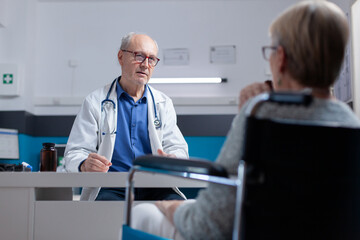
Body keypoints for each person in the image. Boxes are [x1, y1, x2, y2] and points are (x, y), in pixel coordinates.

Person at [130, 1, 360, 239]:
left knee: (143, 213)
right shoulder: (349, 123)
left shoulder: (260, 113)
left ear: (280, 58)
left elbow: (208, 224)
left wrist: (168, 206)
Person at [63, 32, 188, 201]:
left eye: (151, 59)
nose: (145, 65)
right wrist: (84, 164)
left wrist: (174, 159)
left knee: (178, 209)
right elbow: (75, 152)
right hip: (111, 187)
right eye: (139, 56)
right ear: (121, 57)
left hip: (155, 185)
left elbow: (178, 148)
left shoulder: (163, 103)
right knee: (106, 215)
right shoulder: (95, 101)